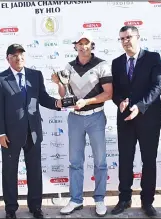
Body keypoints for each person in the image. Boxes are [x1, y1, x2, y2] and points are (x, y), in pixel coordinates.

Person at [0, 44, 62, 219]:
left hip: (33, 132)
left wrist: (58, 104)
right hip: (9, 134)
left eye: (21, 54)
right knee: (9, 172)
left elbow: (43, 98)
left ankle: (36, 206)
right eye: (14, 55)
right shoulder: (0, 79)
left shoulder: (35, 75)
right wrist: (0, 133)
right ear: (8, 58)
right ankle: (10, 209)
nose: (19, 58)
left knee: (35, 171)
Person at [51, 32, 112, 217]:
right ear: (75, 45)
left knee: (100, 161)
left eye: (87, 43)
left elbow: (108, 93)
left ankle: (100, 198)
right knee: (75, 162)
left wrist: (88, 101)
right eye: (80, 43)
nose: (83, 46)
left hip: (96, 116)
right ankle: (76, 199)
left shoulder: (102, 65)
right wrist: (58, 84)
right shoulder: (69, 66)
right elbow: (64, 94)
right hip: (75, 117)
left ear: (92, 45)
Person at [111, 26, 161, 217]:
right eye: (122, 38)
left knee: (148, 160)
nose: (125, 41)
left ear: (138, 37)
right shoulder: (116, 62)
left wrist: (140, 106)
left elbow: (158, 85)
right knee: (125, 159)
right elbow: (114, 91)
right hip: (125, 118)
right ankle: (124, 199)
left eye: (128, 37)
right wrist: (120, 101)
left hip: (149, 118)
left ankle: (147, 201)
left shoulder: (153, 58)